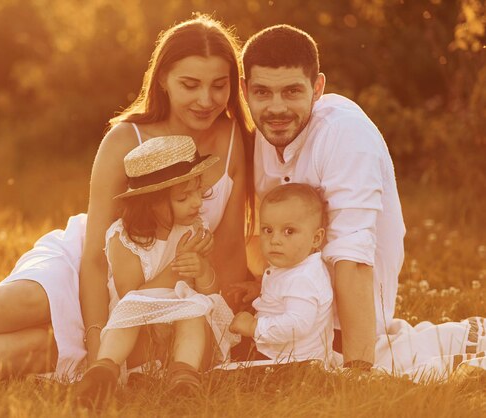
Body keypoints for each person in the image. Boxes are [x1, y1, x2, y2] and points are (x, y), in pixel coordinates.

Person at [0, 15, 251, 386]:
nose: (206, 99)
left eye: (220, 85)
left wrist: (201, 311)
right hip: (92, 261)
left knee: (40, 346)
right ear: (163, 78)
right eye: (190, 84)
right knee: (26, 300)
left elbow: (231, 251)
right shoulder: (125, 139)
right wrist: (98, 337)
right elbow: (97, 255)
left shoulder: (236, 141)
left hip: (159, 284)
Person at [239, 24, 405, 369]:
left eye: (291, 92)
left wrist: (358, 370)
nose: (276, 107)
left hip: (343, 323)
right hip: (285, 308)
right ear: (245, 90)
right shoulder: (260, 138)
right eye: (262, 93)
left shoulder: (344, 134)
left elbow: (353, 255)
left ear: (317, 88)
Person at [74, 136, 237, 407]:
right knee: (133, 310)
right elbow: (133, 300)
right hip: (142, 338)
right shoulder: (124, 240)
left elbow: (210, 292)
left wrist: (203, 269)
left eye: (198, 190)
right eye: (183, 197)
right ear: (150, 203)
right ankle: (103, 371)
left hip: (189, 341)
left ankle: (183, 380)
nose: (197, 202)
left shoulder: (195, 227)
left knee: (192, 308)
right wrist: (178, 265)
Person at [229, 183, 333, 366]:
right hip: (279, 354)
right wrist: (259, 289)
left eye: (289, 231)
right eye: (268, 230)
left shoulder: (303, 279)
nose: (275, 240)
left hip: (294, 363)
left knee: (226, 372)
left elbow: (297, 324)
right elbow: (285, 292)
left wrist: (254, 327)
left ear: (316, 238)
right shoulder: (294, 268)